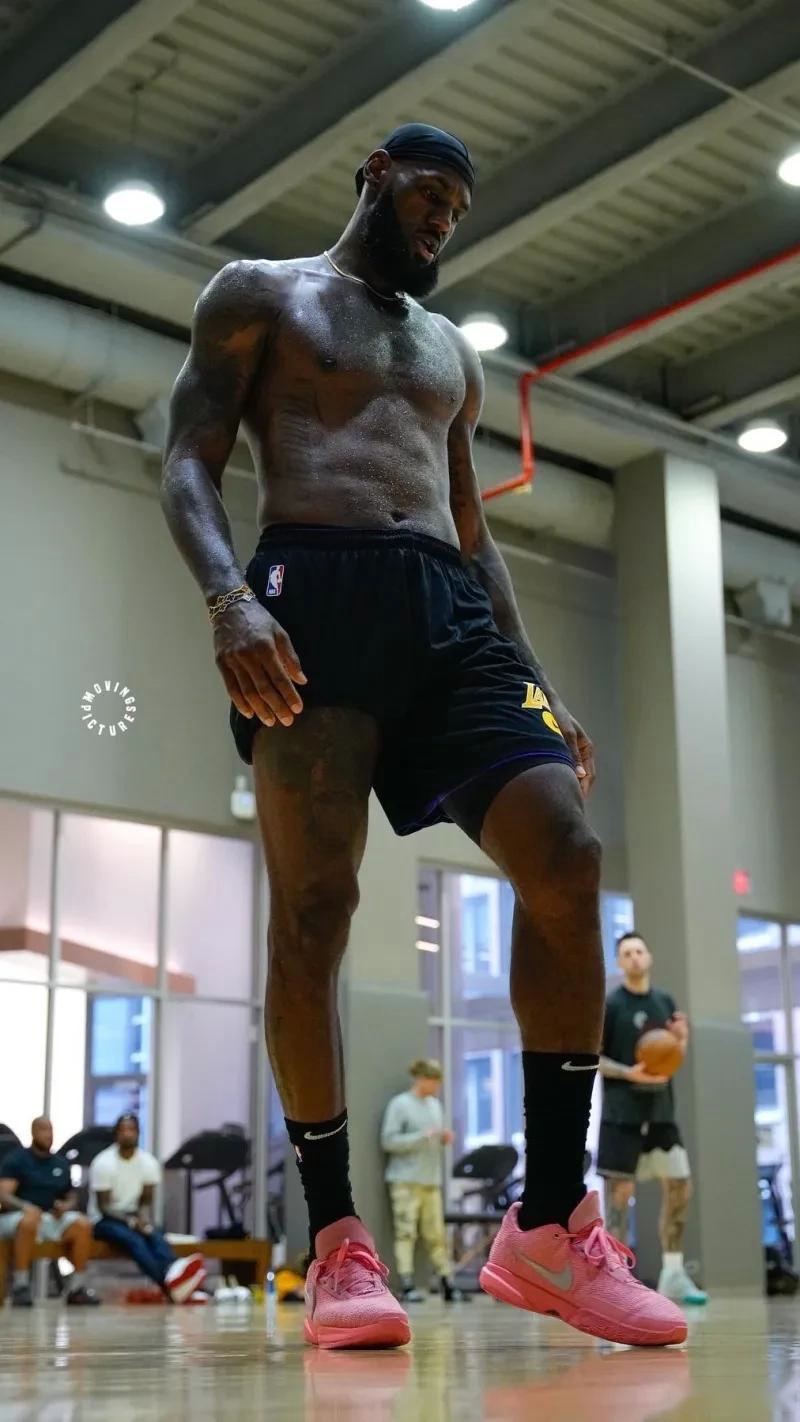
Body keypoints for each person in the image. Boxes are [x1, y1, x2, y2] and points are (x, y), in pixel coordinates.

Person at [161, 120, 686, 1349]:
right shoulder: (261, 295)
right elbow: (186, 461)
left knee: (566, 854)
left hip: (449, 609)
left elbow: (471, 524)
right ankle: (337, 1244)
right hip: (311, 590)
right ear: (373, 174)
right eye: (428, 192)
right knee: (315, 909)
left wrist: (537, 680)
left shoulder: (449, 350)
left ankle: (547, 1224)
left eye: (458, 204)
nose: (444, 216)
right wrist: (227, 599)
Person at [598, 932, 708, 1305]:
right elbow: (592, 1057)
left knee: (680, 1187)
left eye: (639, 951)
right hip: (622, 1115)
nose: (634, 957)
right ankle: (615, 1279)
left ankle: (673, 1275)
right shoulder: (611, 1005)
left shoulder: (665, 1001)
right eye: (626, 953)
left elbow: (672, 1056)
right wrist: (629, 1073)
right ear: (619, 962)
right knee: (619, 1197)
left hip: (661, 1114)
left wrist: (682, 1041)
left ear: (649, 957)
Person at [89, 1114, 206, 1302]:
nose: (127, 1134)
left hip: (133, 1216)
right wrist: (131, 1222)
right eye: (123, 1130)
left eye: (131, 1130)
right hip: (104, 1220)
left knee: (155, 1233)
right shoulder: (103, 1162)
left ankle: (177, 1278)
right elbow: (104, 1207)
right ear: (116, 1134)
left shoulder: (148, 1162)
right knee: (134, 1240)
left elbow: (145, 1200)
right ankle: (172, 1284)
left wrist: (143, 1220)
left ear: (138, 1133)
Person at [381, 1058, 465, 1303]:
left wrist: (442, 1139)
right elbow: (388, 1141)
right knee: (406, 1232)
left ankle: (447, 1282)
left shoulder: (435, 1106)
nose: (436, 1086)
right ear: (421, 1078)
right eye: (433, 1080)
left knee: (436, 1235)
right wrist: (420, 1137)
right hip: (405, 1180)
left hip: (430, 1181)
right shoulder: (400, 1105)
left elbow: (433, 1138)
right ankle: (407, 1283)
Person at [0, 1116, 100, 1306]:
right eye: (43, 1130)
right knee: (29, 1220)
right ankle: (21, 1286)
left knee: (82, 1224)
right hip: (16, 1217)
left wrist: (66, 1206)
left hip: (49, 1217)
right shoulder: (17, 1159)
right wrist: (25, 1207)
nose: (48, 1135)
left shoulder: (60, 1163)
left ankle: (77, 1288)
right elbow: (4, 1195)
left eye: (51, 1131)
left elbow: (71, 1196)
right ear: (33, 1132)